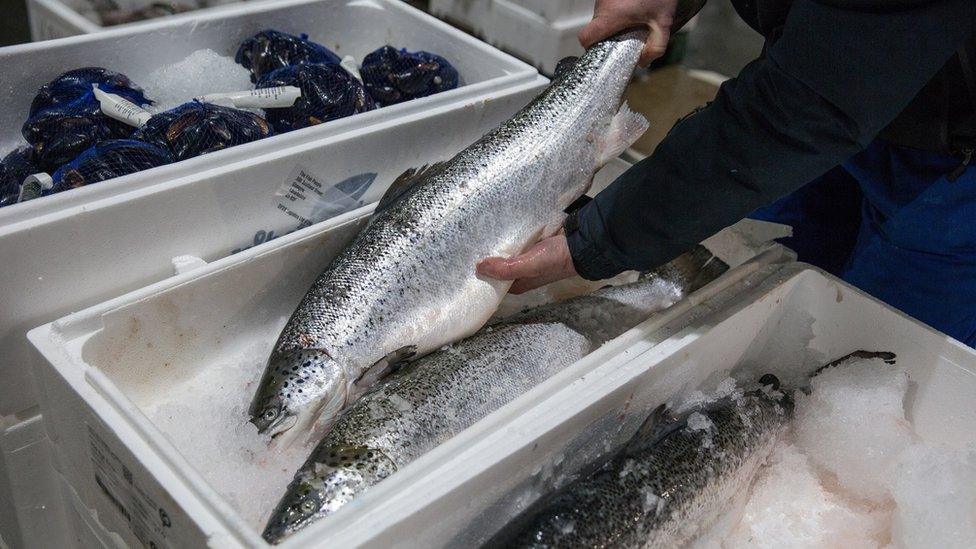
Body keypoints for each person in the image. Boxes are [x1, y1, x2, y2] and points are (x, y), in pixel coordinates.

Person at [478, 0, 976, 346]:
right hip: (820, 73)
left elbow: (809, 108)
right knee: (750, 294)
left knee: (869, 358)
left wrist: (594, 240)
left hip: (952, 163)